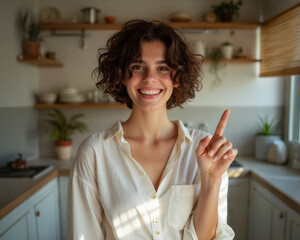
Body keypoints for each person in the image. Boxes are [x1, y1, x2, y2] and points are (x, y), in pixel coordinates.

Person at [68, 19, 237, 240]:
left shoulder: (205, 150)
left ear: (177, 77)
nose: (149, 78)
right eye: (137, 67)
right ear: (122, 74)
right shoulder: (94, 152)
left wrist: (211, 180)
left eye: (163, 68)